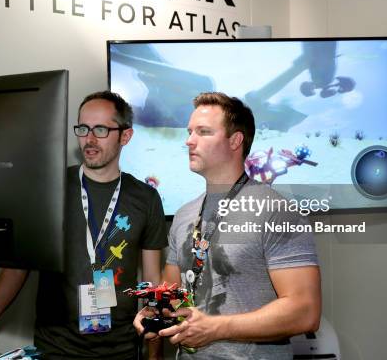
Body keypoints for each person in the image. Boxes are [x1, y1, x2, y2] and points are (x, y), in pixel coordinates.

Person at [0, 91, 168, 359]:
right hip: (55, 349)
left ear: (125, 136)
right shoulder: (48, 189)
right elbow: (16, 270)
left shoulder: (146, 198)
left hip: (122, 350)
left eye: (101, 129)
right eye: (83, 128)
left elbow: (152, 283)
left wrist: (154, 355)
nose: (90, 139)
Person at [134, 92, 321, 359]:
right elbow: (173, 292)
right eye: (189, 131)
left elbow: (306, 311)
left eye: (203, 132)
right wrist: (156, 313)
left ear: (235, 141)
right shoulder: (185, 215)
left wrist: (215, 328)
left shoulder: (277, 210)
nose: (189, 140)